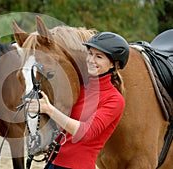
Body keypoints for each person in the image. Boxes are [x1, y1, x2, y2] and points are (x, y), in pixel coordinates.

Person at [27, 32, 130, 169]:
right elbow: (67, 132)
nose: (91, 60)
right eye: (90, 53)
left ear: (114, 64)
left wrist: (49, 109)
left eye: (98, 57)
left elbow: (86, 132)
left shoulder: (114, 100)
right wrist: (48, 144)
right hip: (52, 163)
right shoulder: (79, 88)